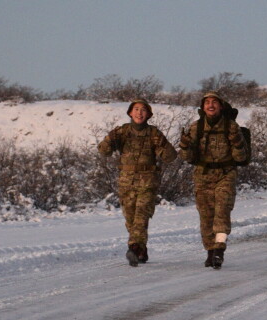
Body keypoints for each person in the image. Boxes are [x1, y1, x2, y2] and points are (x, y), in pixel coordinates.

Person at [98, 99, 177, 267]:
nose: (139, 113)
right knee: (131, 219)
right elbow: (104, 151)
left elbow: (170, 157)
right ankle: (141, 249)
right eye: (136, 109)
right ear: (130, 113)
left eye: (143, 110)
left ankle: (133, 248)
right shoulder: (122, 132)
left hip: (147, 181)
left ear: (148, 114)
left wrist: (163, 145)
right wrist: (110, 138)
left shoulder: (153, 133)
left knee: (141, 215)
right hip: (126, 181)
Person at [178, 91, 248, 269]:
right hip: (203, 176)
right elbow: (187, 157)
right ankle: (210, 251)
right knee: (206, 216)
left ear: (221, 106)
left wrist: (238, 142)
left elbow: (241, 158)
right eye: (207, 102)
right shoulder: (196, 127)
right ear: (202, 107)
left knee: (222, 212)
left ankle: (219, 249)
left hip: (225, 174)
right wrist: (185, 146)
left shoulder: (232, 127)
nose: (211, 105)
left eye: (214, 102)